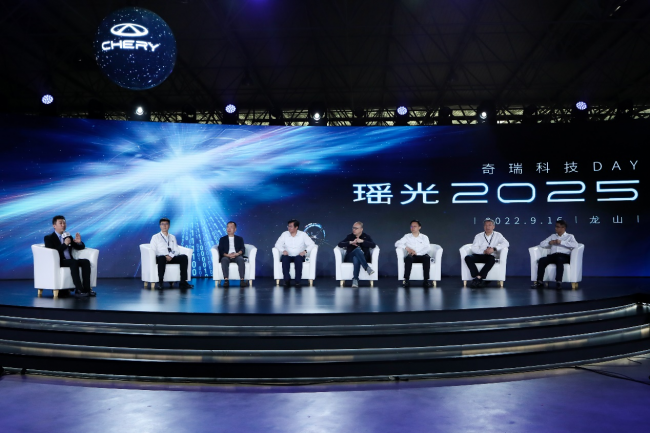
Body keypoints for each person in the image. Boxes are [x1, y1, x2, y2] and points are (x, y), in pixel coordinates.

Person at [43, 215, 94, 298]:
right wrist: (64, 244)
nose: (63, 225)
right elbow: (52, 252)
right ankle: (79, 290)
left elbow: (79, 247)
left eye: (64, 223)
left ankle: (87, 289)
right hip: (59, 261)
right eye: (60, 223)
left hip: (70, 260)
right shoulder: (49, 238)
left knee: (86, 262)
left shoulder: (68, 236)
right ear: (54, 226)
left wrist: (79, 242)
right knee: (73, 262)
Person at [531, 219, 579, 289]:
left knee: (559, 259)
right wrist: (549, 243)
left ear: (563, 228)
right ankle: (539, 282)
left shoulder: (570, 236)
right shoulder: (553, 236)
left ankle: (559, 282)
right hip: (553, 255)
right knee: (542, 260)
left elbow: (575, 245)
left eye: (557, 227)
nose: (555, 228)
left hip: (564, 256)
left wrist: (561, 242)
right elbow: (541, 244)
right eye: (555, 226)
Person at [150, 218, 194, 290]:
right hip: (161, 257)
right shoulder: (155, 237)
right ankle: (160, 282)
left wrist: (170, 256)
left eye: (166, 224)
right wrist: (165, 255)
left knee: (184, 257)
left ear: (169, 226)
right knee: (162, 258)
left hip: (171, 257)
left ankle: (183, 282)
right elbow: (153, 250)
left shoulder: (172, 237)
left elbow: (176, 250)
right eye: (162, 224)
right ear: (160, 226)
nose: (164, 226)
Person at [465, 218, 509, 288]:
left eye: (489, 225)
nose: (487, 227)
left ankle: (478, 279)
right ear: (483, 227)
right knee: (468, 257)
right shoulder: (478, 236)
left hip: (489, 256)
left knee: (492, 260)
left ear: (493, 227)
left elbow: (506, 243)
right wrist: (483, 251)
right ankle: (477, 277)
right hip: (479, 255)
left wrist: (494, 249)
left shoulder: (498, 235)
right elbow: (474, 248)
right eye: (485, 225)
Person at [274, 219, 316, 288]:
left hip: (299, 255)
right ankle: (287, 280)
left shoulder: (303, 234)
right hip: (287, 255)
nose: (289, 228)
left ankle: (297, 281)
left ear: (296, 227)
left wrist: (305, 251)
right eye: (288, 226)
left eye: (291, 226)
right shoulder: (284, 234)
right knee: (285, 260)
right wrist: (283, 250)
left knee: (298, 259)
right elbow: (277, 244)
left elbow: (312, 244)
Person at [337, 221, 376, 288]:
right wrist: (350, 242)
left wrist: (362, 241)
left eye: (356, 228)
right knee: (357, 250)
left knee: (356, 258)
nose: (354, 230)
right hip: (350, 258)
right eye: (353, 228)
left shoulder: (366, 237)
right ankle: (367, 267)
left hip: (364, 257)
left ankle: (355, 280)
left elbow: (373, 245)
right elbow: (340, 244)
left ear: (361, 229)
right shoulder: (350, 236)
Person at [395, 220, 432, 288]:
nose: (413, 228)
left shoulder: (424, 237)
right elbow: (397, 243)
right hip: (412, 256)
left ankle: (426, 281)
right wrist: (407, 248)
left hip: (422, 255)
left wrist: (417, 253)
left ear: (419, 227)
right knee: (408, 258)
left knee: (427, 258)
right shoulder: (407, 236)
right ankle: (406, 280)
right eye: (411, 226)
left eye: (415, 226)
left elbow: (427, 248)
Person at [217, 221, 246, 288]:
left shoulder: (239, 239)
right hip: (227, 256)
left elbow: (242, 249)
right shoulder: (222, 239)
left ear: (235, 229)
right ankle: (226, 280)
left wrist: (237, 254)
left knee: (241, 259)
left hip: (237, 255)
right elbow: (220, 250)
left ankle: (242, 280)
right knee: (224, 260)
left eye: (231, 227)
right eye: (227, 227)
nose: (229, 229)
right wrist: (227, 255)